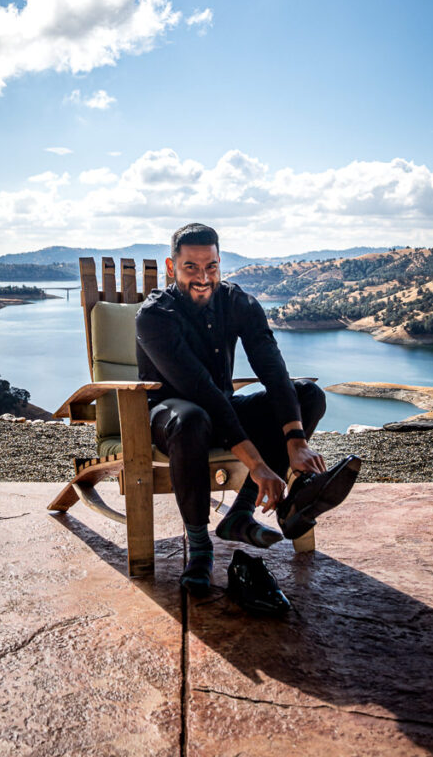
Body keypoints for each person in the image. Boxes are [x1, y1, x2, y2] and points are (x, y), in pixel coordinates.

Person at [135, 222, 327, 595]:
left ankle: (240, 513)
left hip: (221, 410)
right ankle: (200, 548)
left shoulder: (238, 302)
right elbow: (201, 392)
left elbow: (272, 368)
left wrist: (296, 439)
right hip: (169, 417)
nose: (204, 277)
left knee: (308, 395)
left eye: (212, 266)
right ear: (172, 268)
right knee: (193, 417)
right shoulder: (154, 316)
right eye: (191, 267)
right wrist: (256, 465)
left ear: (221, 264)